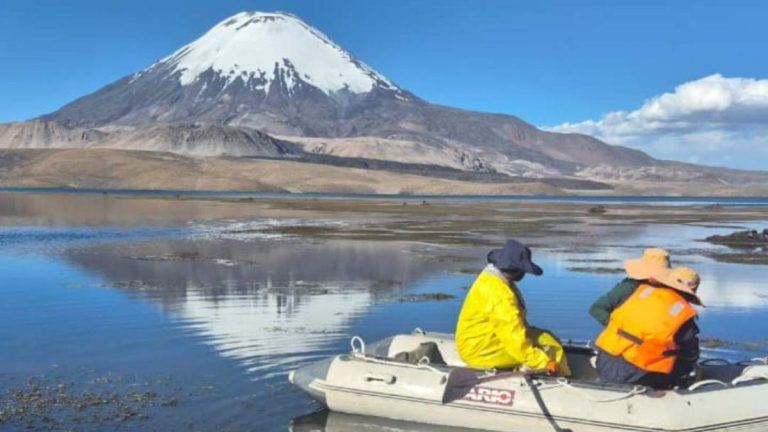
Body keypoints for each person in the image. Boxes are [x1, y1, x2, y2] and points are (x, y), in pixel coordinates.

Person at [455, 239, 571, 376]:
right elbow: (512, 336)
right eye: (523, 270)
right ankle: (560, 379)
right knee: (549, 346)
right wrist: (542, 362)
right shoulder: (499, 294)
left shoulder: (493, 278)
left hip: (482, 339)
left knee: (547, 337)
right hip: (480, 350)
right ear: (515, 270)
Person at [593, 258, 702, 389]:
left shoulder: (640, 292)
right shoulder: (683, 312)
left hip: (604, 359)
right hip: (638, 373)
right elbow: (690, 352)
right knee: (682, 360)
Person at [589, 248, 672, 326]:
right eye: (658, 274)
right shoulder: (629, 288)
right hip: (625, 334)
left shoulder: (672, 292)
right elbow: (597, 309)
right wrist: (618, 327)